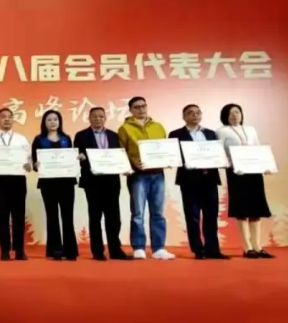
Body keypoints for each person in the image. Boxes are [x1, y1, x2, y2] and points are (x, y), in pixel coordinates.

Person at [168, 104, 229, 260]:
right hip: (189, 180)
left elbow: (217, 154)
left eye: (198, 112)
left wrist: (222, 161)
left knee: (211, 216)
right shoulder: (176, 134)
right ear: (184, 117)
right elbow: (173, 156)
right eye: (190, 113)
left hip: (210, 179)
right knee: (192, 216)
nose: (195, 115)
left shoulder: (211, 133)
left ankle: (213, 250)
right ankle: (198, 249)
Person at [118, 96, 175, 260]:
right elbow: (121, 152)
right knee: (138, 213)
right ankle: (138, 247)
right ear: (131, 110)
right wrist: (131, 163)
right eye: (136, 107)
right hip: (138, 175)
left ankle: (159, 248)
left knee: (158, 212)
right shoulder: (124, 129)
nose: (141, 109)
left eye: (143, 106)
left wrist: (169, 159)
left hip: (158, 174)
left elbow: (165, 148)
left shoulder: (158, 126)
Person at [216, 103, 274, 259]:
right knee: (241, 210)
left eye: (237, 112)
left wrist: (265, 166)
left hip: (254, 172)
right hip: (236, 173)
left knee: (256, 209)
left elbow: (258, 148)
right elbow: (220, 152)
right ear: (225, 116)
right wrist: (230, 165)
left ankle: (258, 247)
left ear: (241, 114)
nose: (234, 115)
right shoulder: (222, 131)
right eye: (230, 113)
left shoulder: (251, 129)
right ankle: (247, 248)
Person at [73, 107, 130, 261]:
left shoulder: (113, 135)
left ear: (105, 118)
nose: (98, 119)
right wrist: (81, 158)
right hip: (92, 181)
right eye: (94, 116)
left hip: (111, 180)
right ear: (89, 118)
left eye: (101, 116)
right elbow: (76, 155)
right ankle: (97, 251)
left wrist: (125, 167)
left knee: (113, 216)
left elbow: (119, 155)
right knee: (95, 215)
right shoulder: (81, 135)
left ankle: (115, 250)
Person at [0, 108, 32, 261]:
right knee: (2, 215)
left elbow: (29, 159)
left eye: (10, 117)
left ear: (13, 120)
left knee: (18, 216)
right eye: (3, 117)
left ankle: (19, 251)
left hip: (18, 180)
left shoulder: (21, 139)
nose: (7, 119)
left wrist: (29, 165)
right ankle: (4, 250)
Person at [32, 110, 79, 261]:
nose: (53, 122)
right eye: (49, 119)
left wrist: (76, 159)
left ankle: (70, 250)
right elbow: (34, 162)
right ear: (44, 123)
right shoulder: (39, 140)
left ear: (60, 122)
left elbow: (71, 159)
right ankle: (55, 250)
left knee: (67, 216)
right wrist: (36, 165)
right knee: (52, 216)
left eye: (55, 119)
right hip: (48, 183)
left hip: (66, 183)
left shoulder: (66, 139)